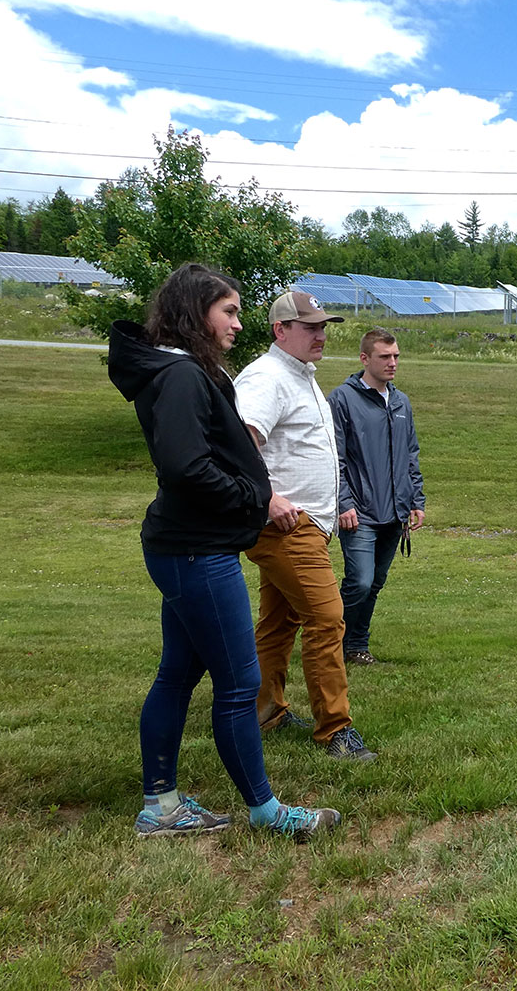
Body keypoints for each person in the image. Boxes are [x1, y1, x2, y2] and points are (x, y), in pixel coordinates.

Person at [107, 264, 340, 839]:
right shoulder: (183, 377)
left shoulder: (183, 371)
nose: (239, 322)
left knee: (177, 676)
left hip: (186, 546)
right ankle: (268, 812)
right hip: (196, 552)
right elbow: (186, 467)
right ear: (196, 313)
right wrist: (254, 495)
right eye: (229, 311)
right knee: (238, 684)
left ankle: (160, 806)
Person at [234, 290, 376, 761]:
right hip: (286, 526)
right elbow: (240, 445)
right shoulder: (266, 377)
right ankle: (335, 730)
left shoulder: (299, 375)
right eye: (310, 327)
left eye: (323, 326)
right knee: (327, 617)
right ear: (281, 330)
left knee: (279, 623)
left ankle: (265, 712)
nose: (321, 334)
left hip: (306, 525)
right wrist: (269, 497)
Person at [327, 327, 426, 666]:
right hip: (360, 512)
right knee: (359, 580)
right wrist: (343, 504)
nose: (393, 363)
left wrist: (416, 500)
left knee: (376, 583)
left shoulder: (401, 401)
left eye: (396, 356)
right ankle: (329, 643)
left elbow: (410, 454)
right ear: (364, 358)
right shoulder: (342, 399)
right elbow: (334, 457)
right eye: (385, 356)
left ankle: (357, 645)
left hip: (395, 512)